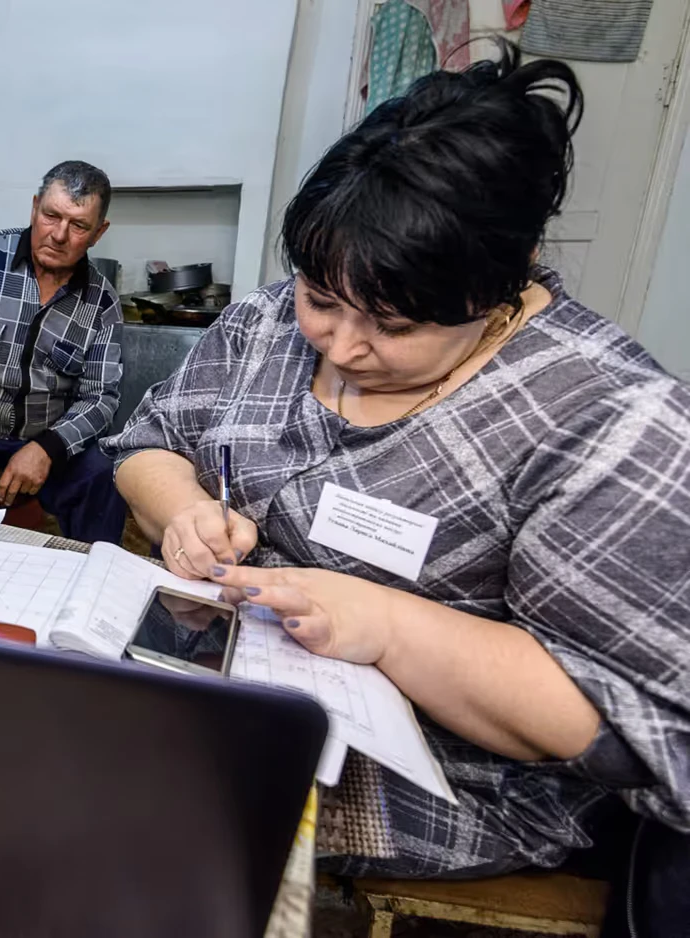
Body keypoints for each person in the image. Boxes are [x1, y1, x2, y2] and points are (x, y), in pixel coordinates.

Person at [104, 44, 690, 878]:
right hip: (229, 678)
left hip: (437, 770)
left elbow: (650, 728)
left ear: (502, 284)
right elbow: (148, 441)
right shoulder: (268, 323)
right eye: (322, 300)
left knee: (128, 815)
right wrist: (183, 510)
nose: (342, 346)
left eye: (398, 327)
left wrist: (385, 627)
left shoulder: (607, 419)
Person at [0, 161, 127, 543]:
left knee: (103, 472)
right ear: (35, 207)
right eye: (51, 215)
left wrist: (47, 448)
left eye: (78, 226)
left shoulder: (102, 302)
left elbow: (101, 397)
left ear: (98, 232)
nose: (58, 235)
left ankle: (93, 581)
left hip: (42, 441)